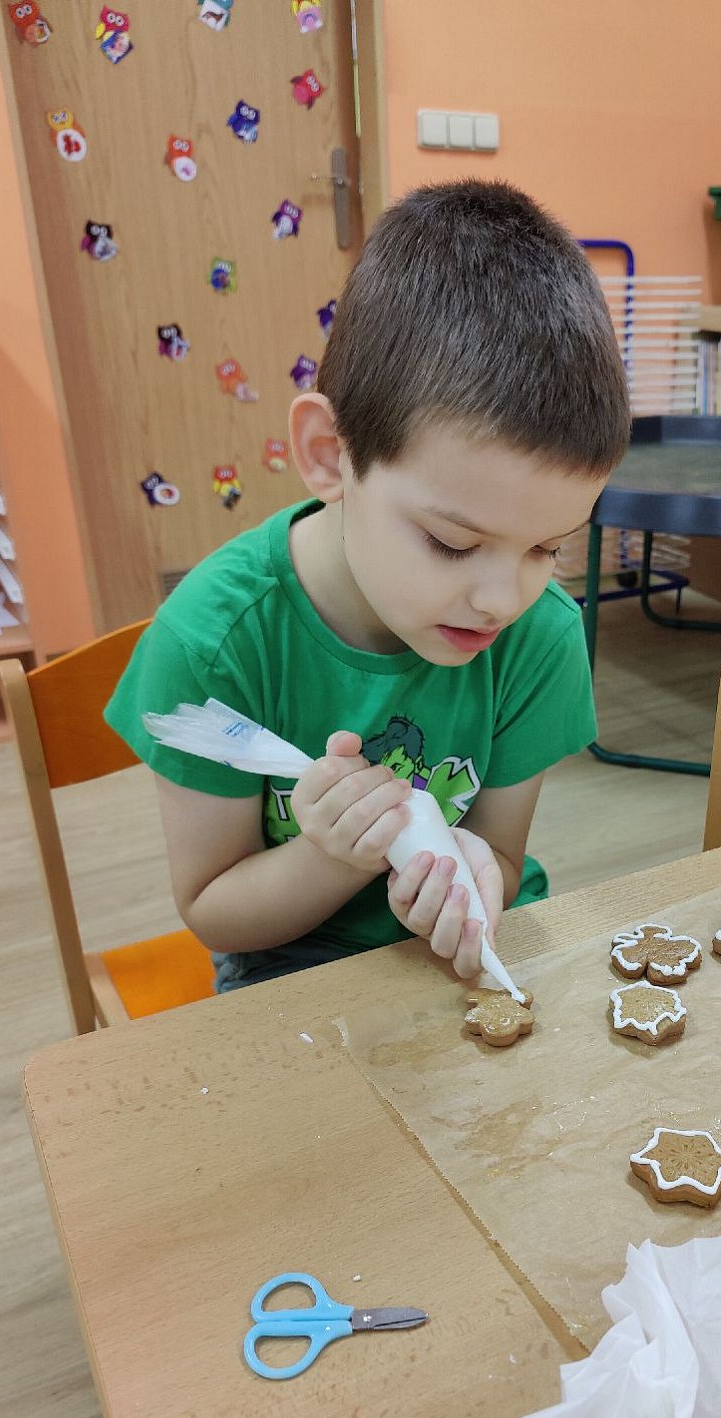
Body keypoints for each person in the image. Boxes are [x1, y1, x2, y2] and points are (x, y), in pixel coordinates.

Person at [105, 179, 631, 992]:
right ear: (329, 455)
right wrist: (332, 854)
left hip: (477, 948)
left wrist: (477, 868)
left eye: (548, 548)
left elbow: (501, 849)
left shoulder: (539, 636)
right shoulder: (213, 645)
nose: (502, 599)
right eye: (453, 543)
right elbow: (214, 908)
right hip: (293, 970)